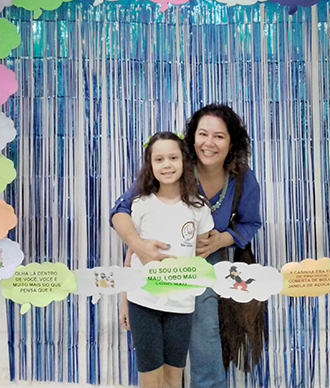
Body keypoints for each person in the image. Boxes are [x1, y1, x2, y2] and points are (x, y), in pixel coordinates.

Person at [111, 104, 262, 388]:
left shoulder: (242, 177)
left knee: (205, 330)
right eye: (202, 134)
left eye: (219, 136)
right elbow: (122, 211)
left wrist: (221, 239)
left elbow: (250, 223)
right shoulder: (173, 164)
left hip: (204, 262)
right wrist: (140, 247)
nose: (209, 143)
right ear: (192, 138)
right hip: (156, 263)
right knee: (157, 341)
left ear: (232, 143)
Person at [120, 131, 214, 388]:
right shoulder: (140, 204)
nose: (167, 165)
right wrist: (125, 302)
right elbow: (130, 258)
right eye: (159, 159)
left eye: (173, 158)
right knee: (150, 379)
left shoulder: (199, 208)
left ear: (184, 161)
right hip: (143, 303)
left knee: (173, 379)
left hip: (181, 306)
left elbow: (200, 252)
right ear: (150, 165)